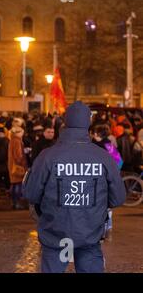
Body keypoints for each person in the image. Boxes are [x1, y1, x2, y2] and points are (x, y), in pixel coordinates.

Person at [23, 101, 126, 273]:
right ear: (88, 123)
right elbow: (118, 198)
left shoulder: (47, 156)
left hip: (56, 234)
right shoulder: (103, 157)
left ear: (66, 122)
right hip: (89, 234)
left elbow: (31, 194)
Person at [8, 125, 28, 210]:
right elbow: (18, 155)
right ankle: (17, 203)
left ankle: (13, 202)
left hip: (12, 165)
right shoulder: (17, 141)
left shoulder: (12, 140)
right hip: (17, 166)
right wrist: (22, 162)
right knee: (18, 184)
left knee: (13, 184)